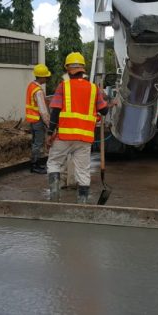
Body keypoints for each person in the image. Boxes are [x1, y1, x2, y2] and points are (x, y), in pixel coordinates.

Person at [46, 52, 108, 204]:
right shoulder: (94, 89)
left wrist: (49, 132)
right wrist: (106, 101)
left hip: (64, 136)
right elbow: (104, 111)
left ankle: (54, 199)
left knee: (54, 163)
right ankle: (82, 205)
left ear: (68, 69)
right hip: (84, 138)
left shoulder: (63, 86)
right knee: (83, 171)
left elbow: (55, 111)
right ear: (83, 69)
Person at [25, 64, 52, 174]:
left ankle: (35, 163)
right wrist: (49, 123)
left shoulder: (31, 86)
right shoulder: (38, 91)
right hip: (38, 119)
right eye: (45, 76)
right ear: (41, 77)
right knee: (38, 143)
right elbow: (43, 110)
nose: (46, 78)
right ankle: (34, 165)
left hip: (32, 119)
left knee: (35, 142)